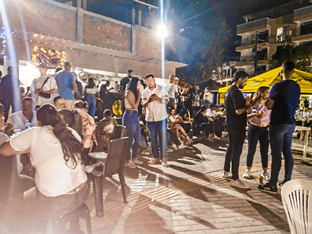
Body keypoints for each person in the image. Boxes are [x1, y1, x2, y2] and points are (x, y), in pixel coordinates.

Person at [0, 104, 89, 233]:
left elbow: (4, 150)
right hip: (83, 191)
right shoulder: (70, 132)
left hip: (57, 200)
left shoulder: (34, 133)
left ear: (38, 121)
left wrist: (28, 148)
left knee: (11, 205)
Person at [259, 61, 301, 193]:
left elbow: (270, 105)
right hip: (290, 123)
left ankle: (272, 184)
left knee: (276, 155)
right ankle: (287, 181)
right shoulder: (297, 87)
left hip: (278, 124)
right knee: (288, 153)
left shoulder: (277, 86)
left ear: (281, 71)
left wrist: (267, 102)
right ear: (293, 71)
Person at [223, 71, 250, 189]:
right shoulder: (236, 92)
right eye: (245, 80)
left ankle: (226, 171)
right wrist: (248, 105)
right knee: (237, 151)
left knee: (231, 147)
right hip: (237, 126)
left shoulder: (229, 91)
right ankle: (235, 178)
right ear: (240, 79)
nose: (245, 83)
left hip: (230, 124)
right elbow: (238, 111)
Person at [243, 86, 271, 180]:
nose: (268, 94)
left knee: (264, 150)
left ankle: (265, 171)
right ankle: (248, 169)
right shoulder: (252, 102)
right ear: (261, 93)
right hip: (254, 127)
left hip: (264, 129)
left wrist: (269, 125)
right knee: (251, 149)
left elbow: (272, 115)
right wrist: (255, 114)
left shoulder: (269, 103)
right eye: (266, 92)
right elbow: (247, 115)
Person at [142, 73, 169, 167]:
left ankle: (164, 159)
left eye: (151, 81)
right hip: (150, 118)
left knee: (162, 138)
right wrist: (149, 100)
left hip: (161, 117)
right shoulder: (144, 91)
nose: (150, 83)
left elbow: (166, 101)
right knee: (153, 139)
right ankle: (155, 157)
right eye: (148, 81)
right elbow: (143, 103)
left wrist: (157, 98)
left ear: (154, 81)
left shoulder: (162, 88)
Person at [122, 77, 144, 168]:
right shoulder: (129, 92)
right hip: (130, 115)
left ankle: (134, 157)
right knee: (130, 139)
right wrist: (139, 97)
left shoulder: (134, 93)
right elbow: (134, 106)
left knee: (137, 137)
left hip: (134, 115)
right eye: (138, 84)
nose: (139, 86)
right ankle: (127, 160)